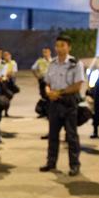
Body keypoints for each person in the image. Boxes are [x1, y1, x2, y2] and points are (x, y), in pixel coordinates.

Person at [40, 35, 85, 176]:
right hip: (53, 103)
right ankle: (51, 162)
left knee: (71, 136)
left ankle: (74, 165)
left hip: (68, 102)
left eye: (63, 45)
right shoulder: (52, 63)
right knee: (53, 135)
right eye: (57, 45)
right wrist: (48, 92)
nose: (59, 48)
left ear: (69, 47)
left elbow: (77, 85)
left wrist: (58, 92)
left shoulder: (75, 63)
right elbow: (47, 82)